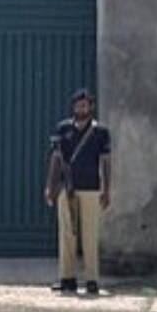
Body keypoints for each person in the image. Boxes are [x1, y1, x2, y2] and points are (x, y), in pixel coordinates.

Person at [44, 88, 112, 296]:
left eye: (85, 105)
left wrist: (107, 189)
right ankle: (67, 278)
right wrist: (50, 186)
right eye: (78, 105)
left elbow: (106, 162)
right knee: (67, 234)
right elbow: (56, 159)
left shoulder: (101, 132)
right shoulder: (63, 129)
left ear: (90, 107)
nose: (82, 109)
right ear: (73, 107)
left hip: (91, 187)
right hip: (67, 187)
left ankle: (92, 280)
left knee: (90, 235)